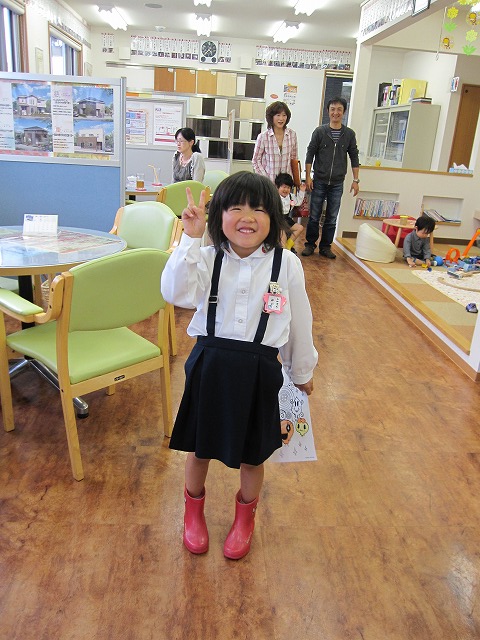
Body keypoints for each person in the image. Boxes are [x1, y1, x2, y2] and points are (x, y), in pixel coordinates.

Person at [161, 172, 317, 560]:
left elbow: (300, 321)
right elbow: (175, 293)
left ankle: (245, 519)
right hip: (210, 365)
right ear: (219, 216)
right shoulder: (207, 257)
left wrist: (301, 372)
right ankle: (192, 512)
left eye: (259, 209)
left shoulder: (287, 264)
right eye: (236, 208)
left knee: (253, 454)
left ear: (274, 217)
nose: (247, 217)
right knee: (198, 449)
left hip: (261, 371)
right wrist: (191, 238)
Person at [302, 97, 360, 259]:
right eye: (333, 109)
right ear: (328, 111)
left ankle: (326, 247)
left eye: (339, 109)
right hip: (319, 180)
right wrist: (308, 177)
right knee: (314, 216)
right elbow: (310, 154)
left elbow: (354, 157)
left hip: (337, 183)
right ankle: (310, 244)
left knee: (332, 217)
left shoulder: (349, 134)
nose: (336, 112)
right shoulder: (320, 132)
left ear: (344, 112)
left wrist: (356, 180)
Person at [252, 101, 299, 185]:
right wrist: (265, 179)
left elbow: (294, 158)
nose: (281, 119)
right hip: (268, 183)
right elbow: (256, 160)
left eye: (284, 115)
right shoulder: (263, 137)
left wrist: (296, 181)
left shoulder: (292, 135)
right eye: (278, 115)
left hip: (286, 184)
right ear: (271, 117)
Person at [274, 172, 306, 254]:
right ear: (277, 187)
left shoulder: (291, 197)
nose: (286, 190)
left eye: (288, 187)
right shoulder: (274, 197)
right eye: (284, 187)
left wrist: (302, 191)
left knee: (300, 228)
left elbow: (298, 202)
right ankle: (284, 251)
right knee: (283, 235)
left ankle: (288, 246)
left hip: (286, 219)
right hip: (276, 220)